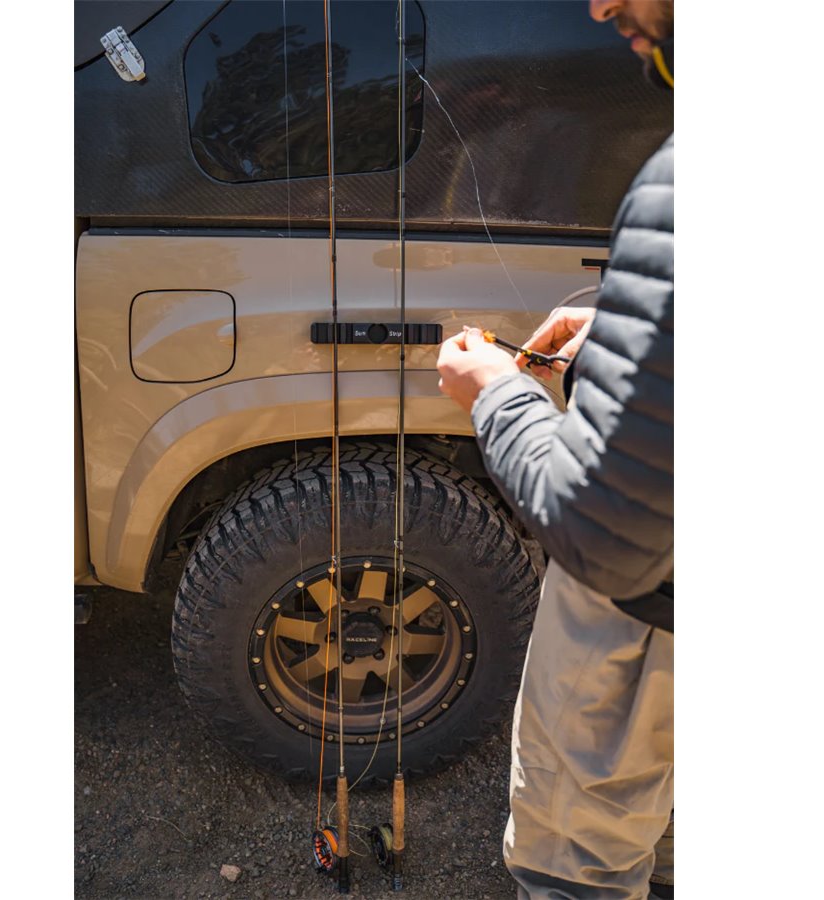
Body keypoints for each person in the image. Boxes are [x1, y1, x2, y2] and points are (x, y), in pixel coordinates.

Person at [435, 2, 674, 898]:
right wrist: (629, 327)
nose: (597, 6)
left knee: (577, 865)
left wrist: (498, 393)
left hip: (649, 614)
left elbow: (601, 531)